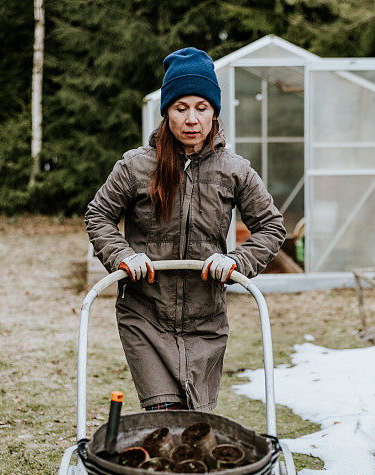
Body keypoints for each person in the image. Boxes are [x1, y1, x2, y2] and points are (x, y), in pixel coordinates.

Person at [85, 47, 285, 412]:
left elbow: (271, 226)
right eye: (181, 108)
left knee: (196, 421)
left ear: (214, 112)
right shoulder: (135, 166)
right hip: (145, 314)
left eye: (201, 107)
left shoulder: (235, 170)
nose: (191, 119)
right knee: (165, 416)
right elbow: (98, 215)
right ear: (167, 113)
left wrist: (238, 261)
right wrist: (123, 256)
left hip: (205, 319)